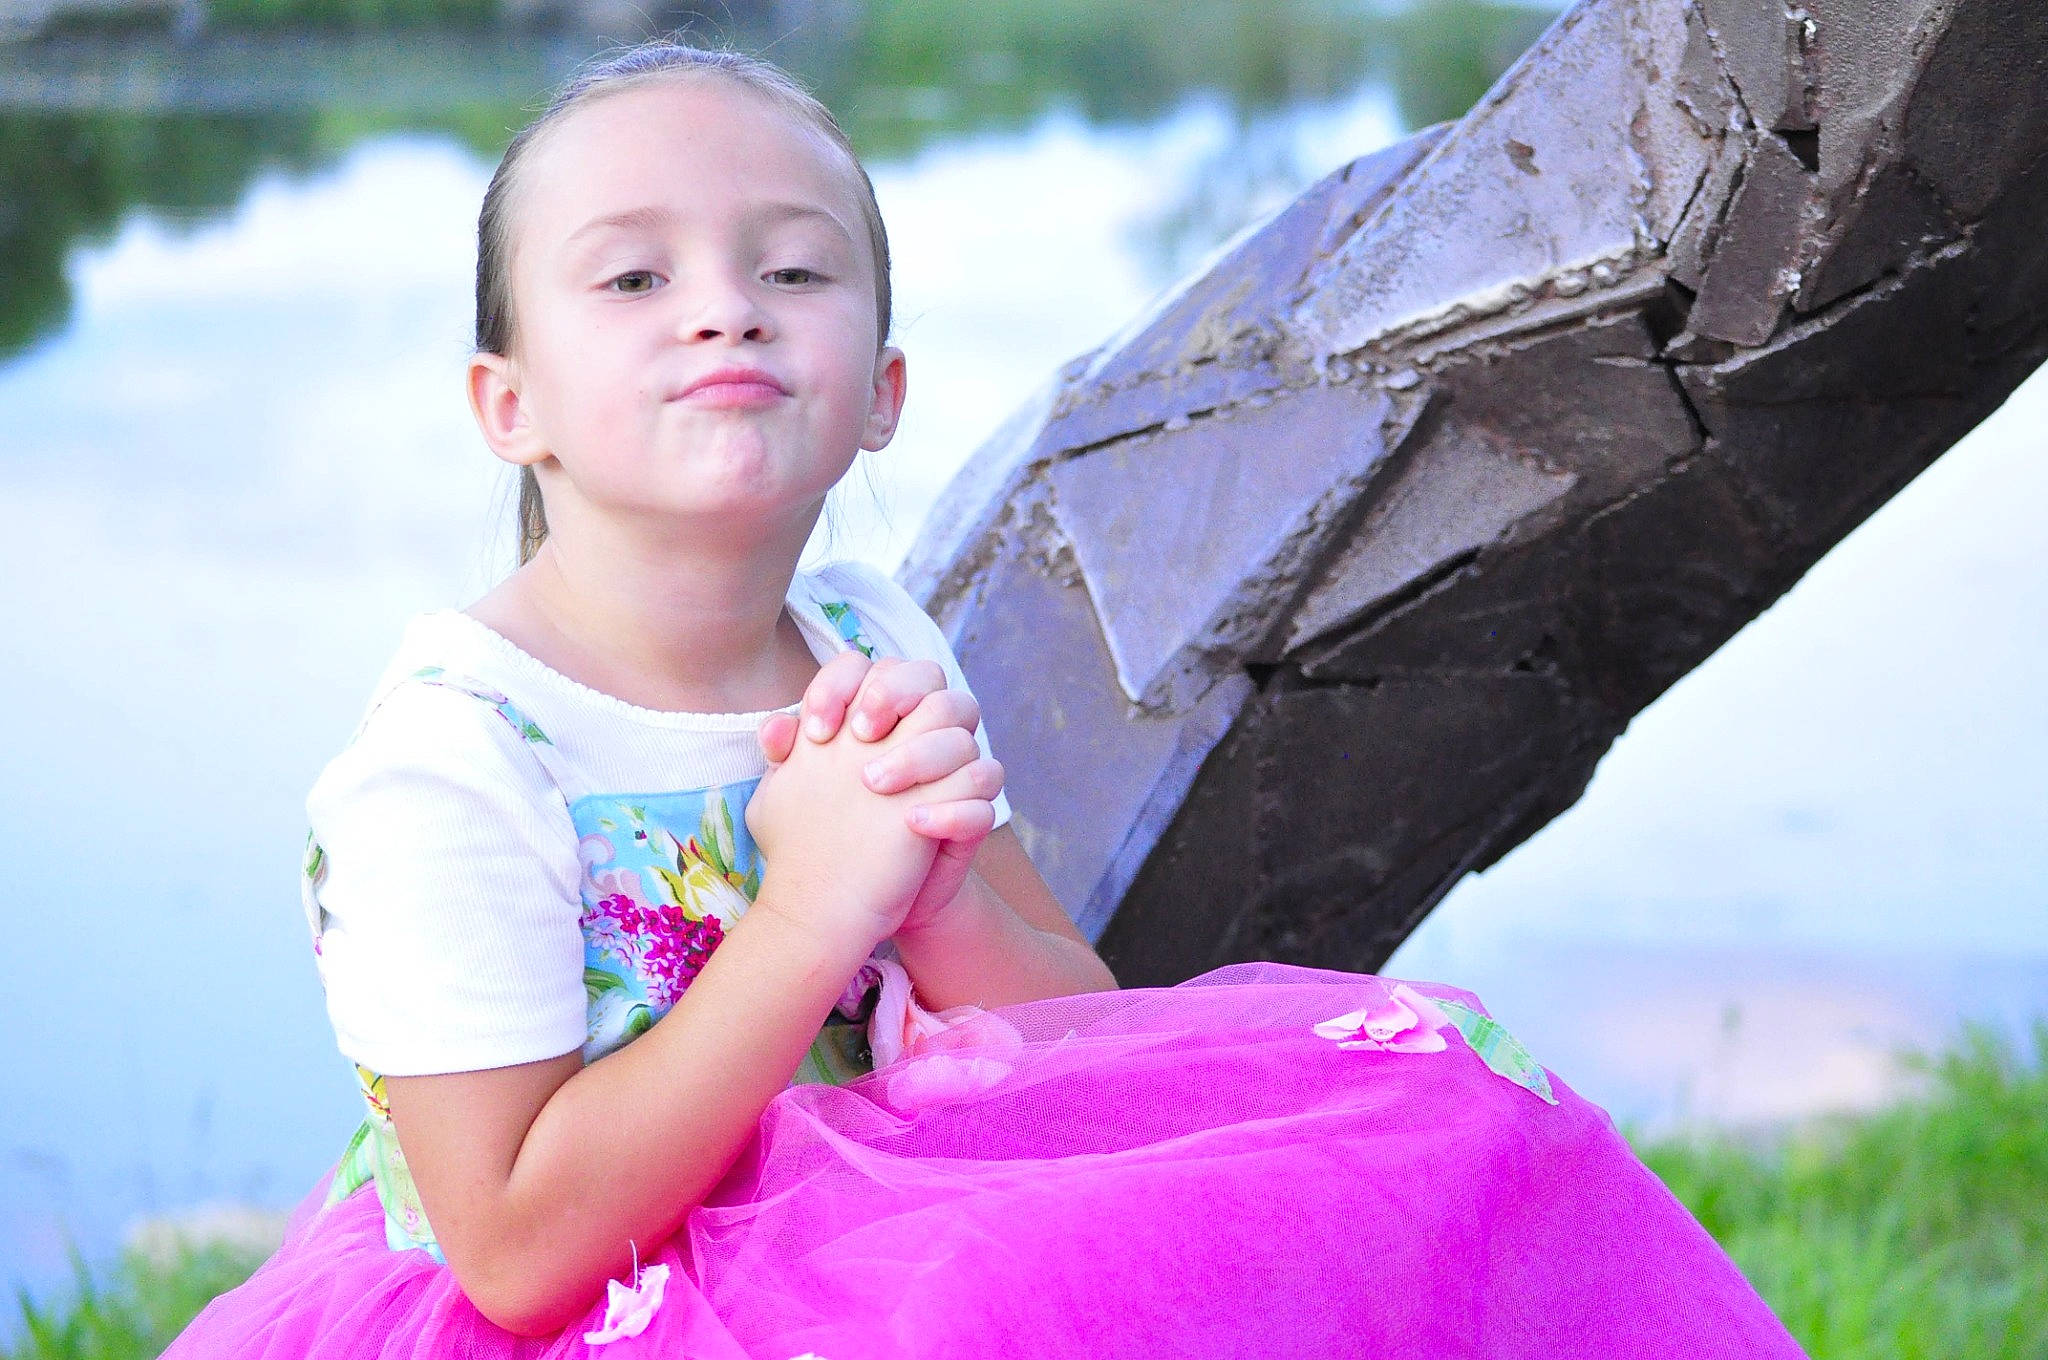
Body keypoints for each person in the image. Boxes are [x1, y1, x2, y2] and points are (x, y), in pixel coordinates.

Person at [163, 39, 1807, 1360]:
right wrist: (806, 918)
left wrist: (936, 895)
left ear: (882, 393)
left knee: (1427, 1105)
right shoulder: (450, 769)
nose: (726, 303)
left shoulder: (871, 638)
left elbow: (1063, 1013)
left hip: (894, 1226)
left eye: (794, 269)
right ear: (506, 402)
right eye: (633, 280)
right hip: (614, 1298)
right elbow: (516, 1254)